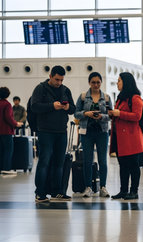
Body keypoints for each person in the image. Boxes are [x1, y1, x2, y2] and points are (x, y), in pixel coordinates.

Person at [31, 66, 75, 202]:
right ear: (50, 76)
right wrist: (52, 106)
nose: (59, 83)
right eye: (57, 79)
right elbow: (34, 106)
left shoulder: (65, 90)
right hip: (45, 131)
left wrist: (68, 107)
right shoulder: (40, 88)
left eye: (61, 80)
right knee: (44, 161)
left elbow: (73, 108)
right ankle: (40, 192)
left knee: (59, 162)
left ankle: (57, 192)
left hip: (61, 131)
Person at [74, 72, 112, 198]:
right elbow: (76, 113)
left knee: (103, 160)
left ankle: (103, 187)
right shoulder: (84, 97)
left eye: (98, 82)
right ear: (89, 83)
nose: (96, 84)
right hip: (87, 132)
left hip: (102, 132)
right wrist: (86, 113)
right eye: (93, 82)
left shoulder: (106, 97)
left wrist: (102, 116)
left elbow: (110, 115)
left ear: (101, 82)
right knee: (87, 160)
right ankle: (88, 187)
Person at [109, 72, 143, 200]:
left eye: (119, 80)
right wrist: (113, 114)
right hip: (120, 138)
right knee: (123, 165)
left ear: (126, 82)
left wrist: (120, 113)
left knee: (133, 166)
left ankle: (134, 191)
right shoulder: (121, 98)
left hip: (131, 139)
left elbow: (137, 116)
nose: (117, 83)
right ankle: (123, 190)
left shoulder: (135, 98)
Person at [0, 87, 24, 174]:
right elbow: (8, 117)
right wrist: (16, 124)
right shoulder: (7, 104)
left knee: (1, 150)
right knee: (8, 150)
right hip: (6, 131)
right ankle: (6, 169)